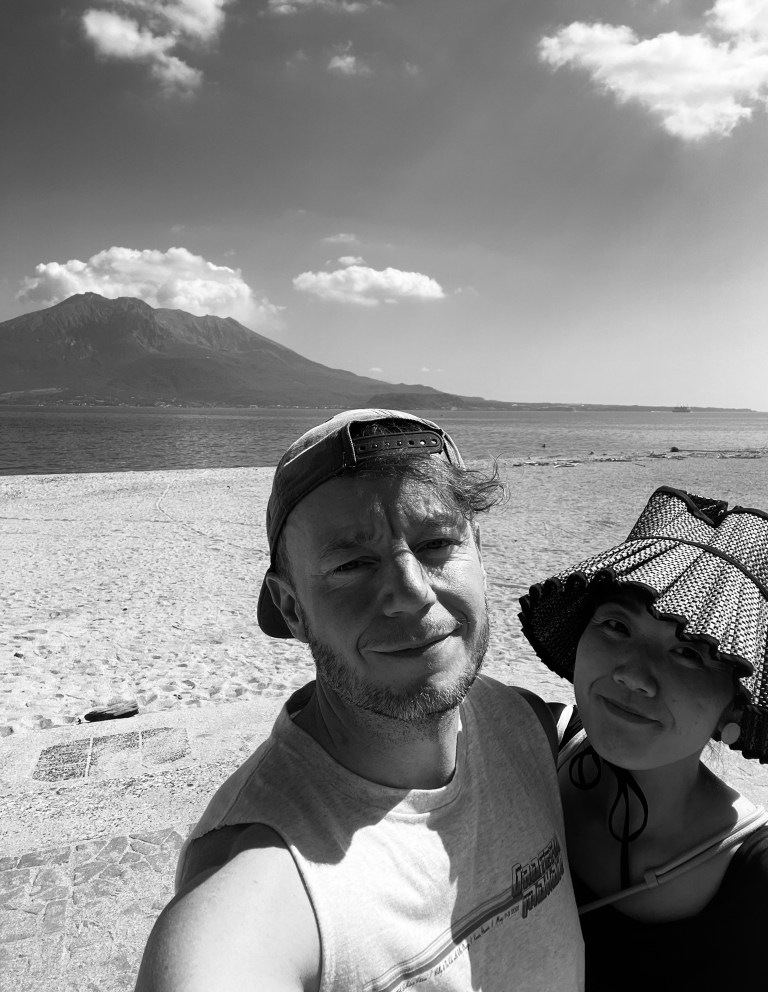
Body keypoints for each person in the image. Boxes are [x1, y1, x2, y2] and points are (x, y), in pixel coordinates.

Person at [135, 408, 584, 992]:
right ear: (292, 608)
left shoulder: (528, 727)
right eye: (352, 564)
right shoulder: (263, 878)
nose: (411, 593)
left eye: (437, 543)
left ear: (479, 552)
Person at [519, 485, 768, 992]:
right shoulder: (525, 741)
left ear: (735, 702)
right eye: (616, 625)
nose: (633, 675)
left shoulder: (755, 877)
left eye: (690, 653)